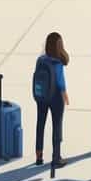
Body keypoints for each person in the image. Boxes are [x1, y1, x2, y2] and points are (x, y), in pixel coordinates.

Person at [33, 32, 70, 168]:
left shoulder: (40, 60)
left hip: (41, 96)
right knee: (57, 126)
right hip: (55, 97)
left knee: (40, 124)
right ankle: (56, 158)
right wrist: (65, 94)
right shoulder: (58, 61)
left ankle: (39, 156)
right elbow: (60, 82)